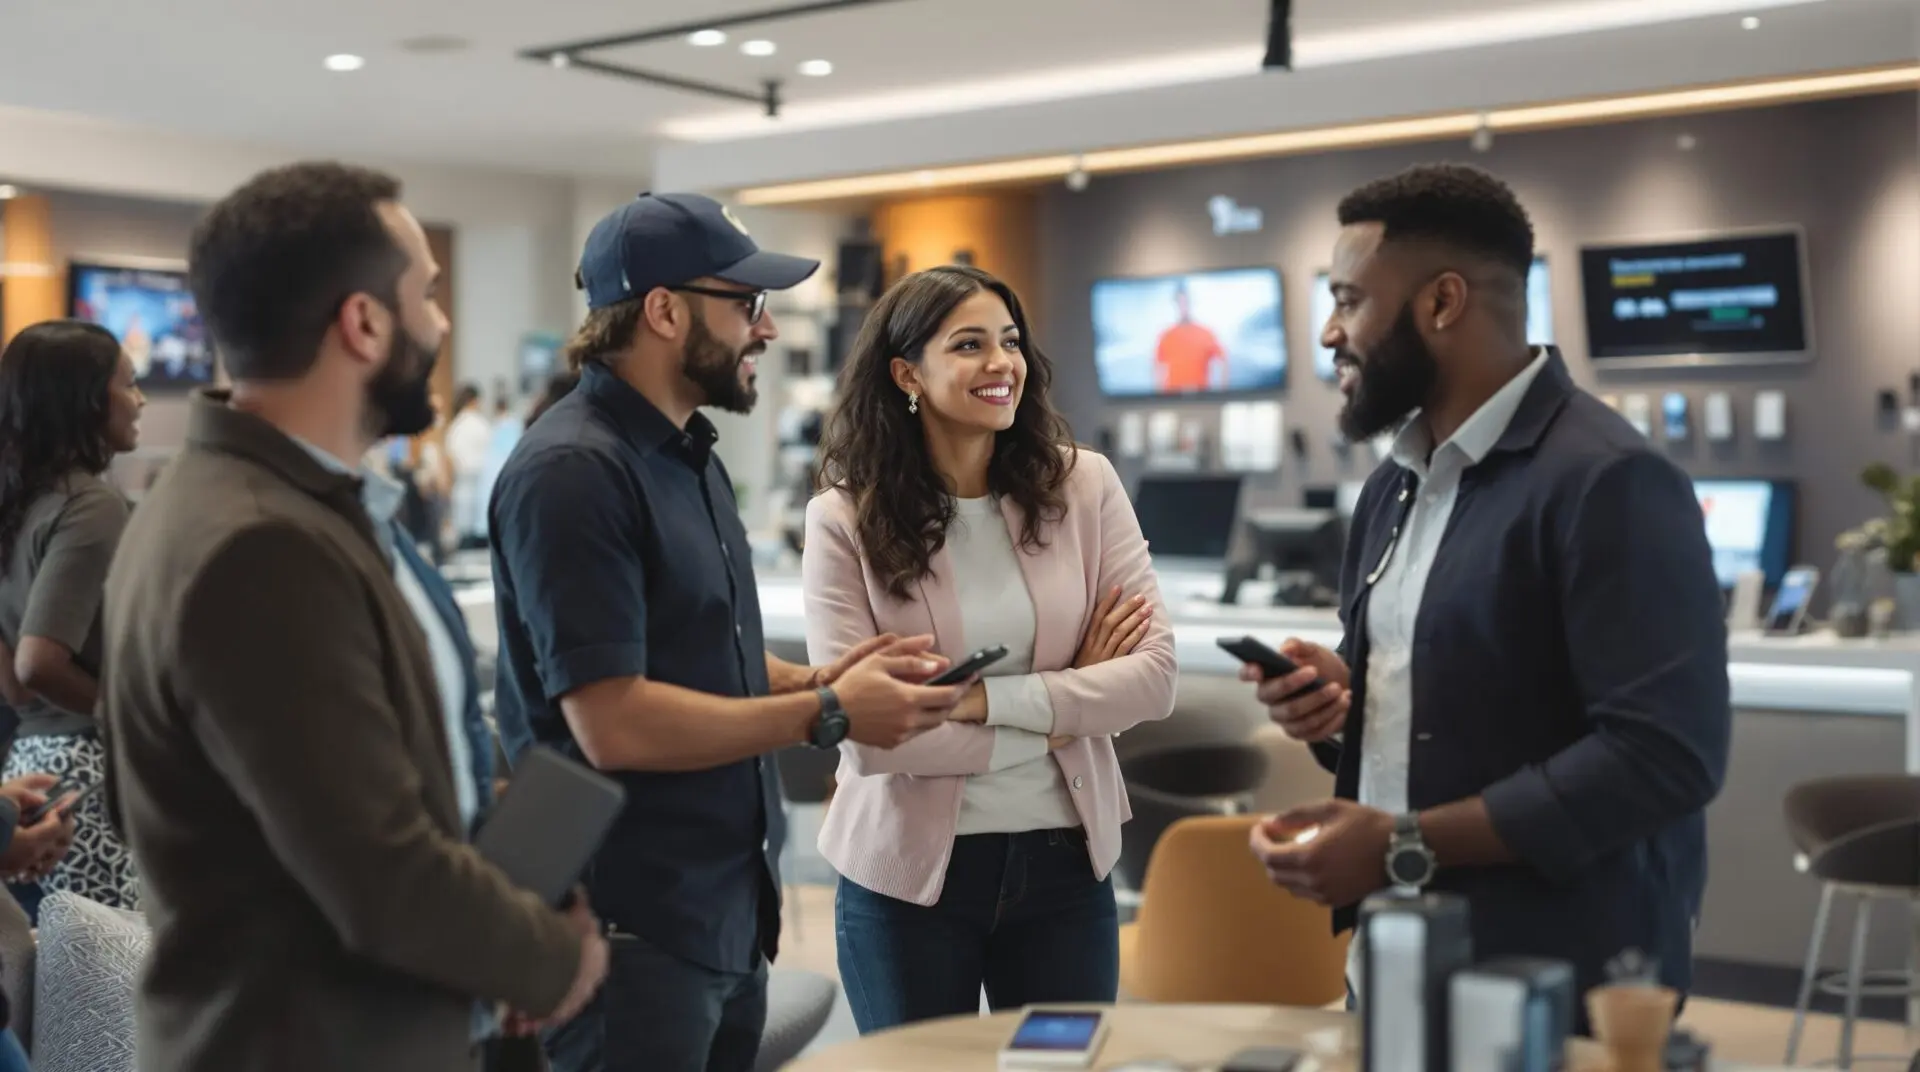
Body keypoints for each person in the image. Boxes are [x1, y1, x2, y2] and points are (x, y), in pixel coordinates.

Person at [100, 161, 607, 1072]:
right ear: (364, 322)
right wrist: (553, 959)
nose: (442, 323)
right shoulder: (260, 545)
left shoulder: (255, 505)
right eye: (428, 294)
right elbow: (381, 874)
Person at [1238, 164, 1728, 1023]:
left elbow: (1664, 756)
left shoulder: (1609, 480)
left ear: (1442, 303)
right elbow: (1440, 713)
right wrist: (1343, 705)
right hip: (1395, 952)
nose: (1327, 333)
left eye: (1349, 300)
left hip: (1561, 973)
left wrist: (1400, 845)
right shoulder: (1393, 487)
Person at [490, 192, 966, 1072]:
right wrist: (825, 714)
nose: (769, 329)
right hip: (628, 929)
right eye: (745, 305)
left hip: (722, 916)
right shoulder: (573, 472)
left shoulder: (686, 456)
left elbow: (693, 652)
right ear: (664, 311)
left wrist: (818, 679)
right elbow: (614, 721)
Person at [803, 265, 1177, 1033]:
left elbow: (1153, 680)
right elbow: (871, 738)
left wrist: (978, 701)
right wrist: (1067, 706)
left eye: (1009, 342)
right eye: (969, 345)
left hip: (1066, 872)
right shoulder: (842, 521)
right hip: (907, 885)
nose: (1001, 363)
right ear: (908, 372)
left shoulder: (1085, 488)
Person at [0, 318, 145, 912]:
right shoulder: (92, 504)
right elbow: (37, 664)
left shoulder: (18, 502)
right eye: (130, 385)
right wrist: (136, 717)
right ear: (89, 399)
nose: (138, 401)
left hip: (29, 775)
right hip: (86, 778)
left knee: (63, 998)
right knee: (109, 1001)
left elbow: (13, 685)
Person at [1152, 283, 1223, 392]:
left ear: (1191, 303)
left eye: (1186, 303)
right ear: (1175, 304)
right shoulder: (1166, 335)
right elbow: (1157, 367)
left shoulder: (1206, 333)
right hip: (1172, 396)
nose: (1183, 307)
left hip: (1201, 396)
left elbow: (1222, 361)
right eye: (1180, 303)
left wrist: (1220, 396)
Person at [445, 382, 491, 548]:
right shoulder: (481, 425)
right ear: (474, 401)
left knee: (464, 538)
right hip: (481, 486)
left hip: (462, 487)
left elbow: (450, 459)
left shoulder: (455, 427)